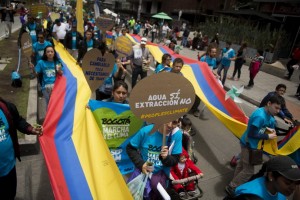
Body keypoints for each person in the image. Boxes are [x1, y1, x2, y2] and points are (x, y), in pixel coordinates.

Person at [225, 94, 281, 197]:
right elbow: (252, 134)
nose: (277, 111)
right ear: (269, 104)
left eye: (279, 109)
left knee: (242, 165)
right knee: (248, 171)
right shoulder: (260, 116)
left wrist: (270, 129)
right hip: (248, 145)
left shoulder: (268, 114)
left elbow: (266, 125)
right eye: (276, 108)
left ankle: (234, 182)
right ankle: (232, 187)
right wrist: (268, 137)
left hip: (248, 144)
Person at [126, 119, 182, 199]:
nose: (170, 125)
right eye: (167, 120)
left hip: (161, 176)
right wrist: (141, 164)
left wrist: (166, 158)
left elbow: (175, 160)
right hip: (143, 172)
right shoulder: (146, 131)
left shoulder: (177, 135)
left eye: (174, 122)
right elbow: (130, 148)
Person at [0, 97, 43, 199]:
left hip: (9, 167)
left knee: (10, 194)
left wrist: (31, 129)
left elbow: (17, 121)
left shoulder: (4, 107)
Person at [234, 155, 300, 199]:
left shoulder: (280, 193)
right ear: (271, 175)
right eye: (288, 182)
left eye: (297, 183)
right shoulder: (249, 196)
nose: (293, 187)